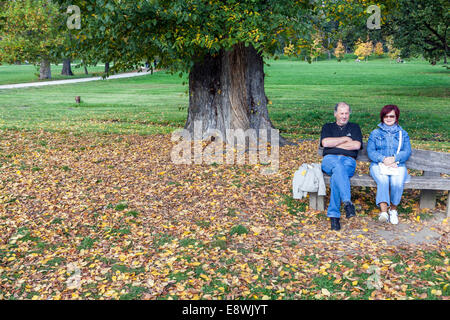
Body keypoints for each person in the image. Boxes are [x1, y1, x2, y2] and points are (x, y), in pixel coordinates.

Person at [320, 102, 363, 231]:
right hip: (329, 160)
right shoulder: (327, 127)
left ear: (349, 114)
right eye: (341, 113)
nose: (344, 116)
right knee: (338, 167)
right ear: (335, 114)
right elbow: (325, 142)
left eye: (346, 113)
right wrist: (345, 139)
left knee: (336, 177)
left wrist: (334, 144)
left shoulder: (355, 127)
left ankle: (334, 217)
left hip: (348, 161)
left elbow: (356, 145)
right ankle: (347, 202)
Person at [367, 105, 411, 225]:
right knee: (383, 180)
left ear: (396, 117)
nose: (388, 118)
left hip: (398, 164)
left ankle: (393, 210)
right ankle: (384, 212)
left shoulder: (403, 134)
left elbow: (407, 151)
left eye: (391, 116)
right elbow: (371, 151)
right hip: (378, 164)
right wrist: (383, 159)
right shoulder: (375, 133)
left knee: (397, 182)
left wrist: (394, 159)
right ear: (382, 117)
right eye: (386, 116)